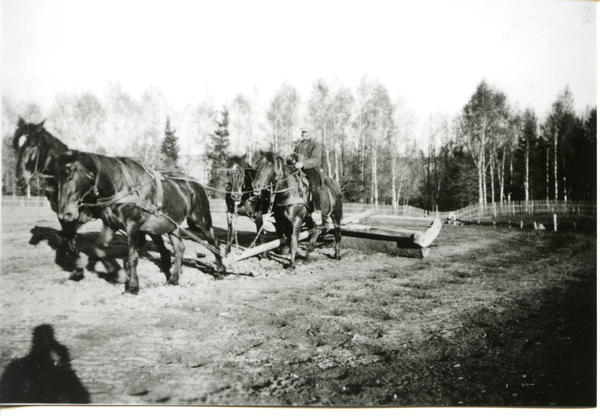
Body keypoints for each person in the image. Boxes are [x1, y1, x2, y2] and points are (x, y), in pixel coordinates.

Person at [288, 124, 329, 230]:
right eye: (302, 132)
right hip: (298, 169)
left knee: (314, 187)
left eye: (305, 132)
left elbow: (316, 160)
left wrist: (303, 164)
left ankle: (317, 212)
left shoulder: (316, 144)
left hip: (311, 170)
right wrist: (289, 158)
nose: (303, 134)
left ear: (310, 133)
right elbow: (293, 156)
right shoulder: (298, 145)